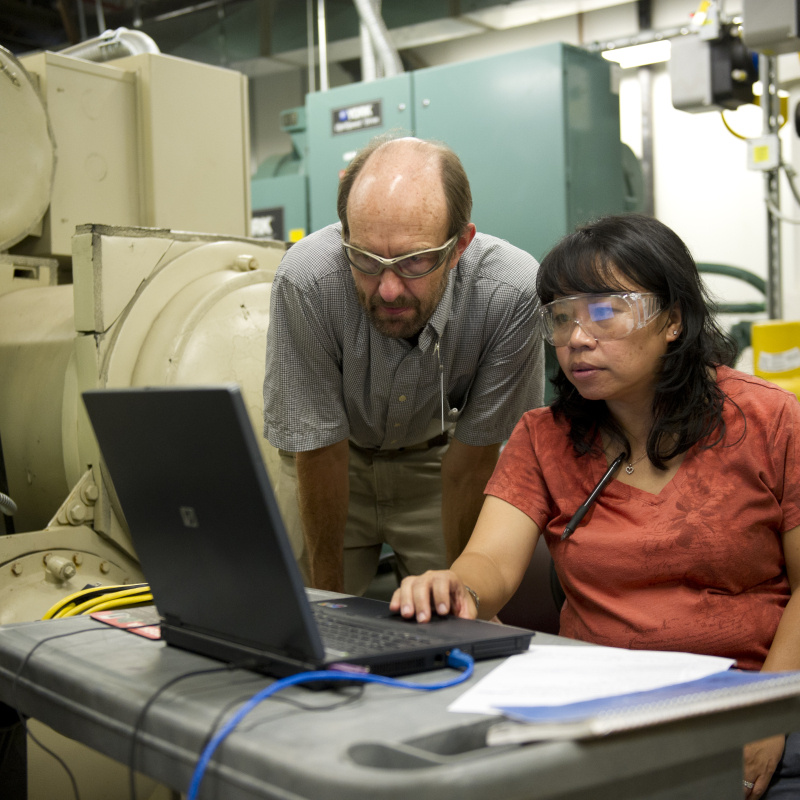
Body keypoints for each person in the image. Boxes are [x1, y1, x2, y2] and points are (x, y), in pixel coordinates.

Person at [390, 213, 800, 799]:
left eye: (607, 310)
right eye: (561, 317)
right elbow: (489, 565)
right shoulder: (542, 438)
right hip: (602, 714)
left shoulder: (769, 420)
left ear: (674, 321)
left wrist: (768, 715)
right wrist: (456, 590)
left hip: (751, 702)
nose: (578, 337)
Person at [263, 135, 543, 595]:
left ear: (459, 246)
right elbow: (319, 449)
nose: (389, 289)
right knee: (305, 622)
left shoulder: (508, 293)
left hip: (438, 464)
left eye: (415, 262)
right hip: (331, 462)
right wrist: (327, 612)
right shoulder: (308, 279)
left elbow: (471, 464)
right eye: (366, 260)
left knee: (453, 620)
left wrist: (461, 597)